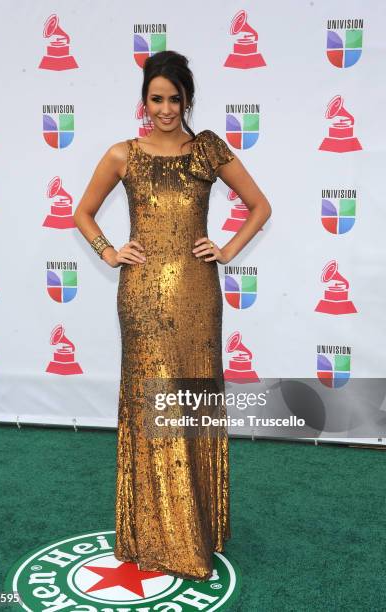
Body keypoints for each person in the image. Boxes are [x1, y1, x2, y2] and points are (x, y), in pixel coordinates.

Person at [73, 50, 271, 581]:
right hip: (140, 299)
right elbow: (82, 212)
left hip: (197, 296)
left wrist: (226, 250)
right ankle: (155, 534)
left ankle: (197, 528)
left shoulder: (207, 149)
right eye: (155, 99)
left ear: (187, 99)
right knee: (152, 402)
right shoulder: (123, 154)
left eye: (173, 99)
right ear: (144, 100)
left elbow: (260, 206)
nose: (164, 109)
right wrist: (110, 252)